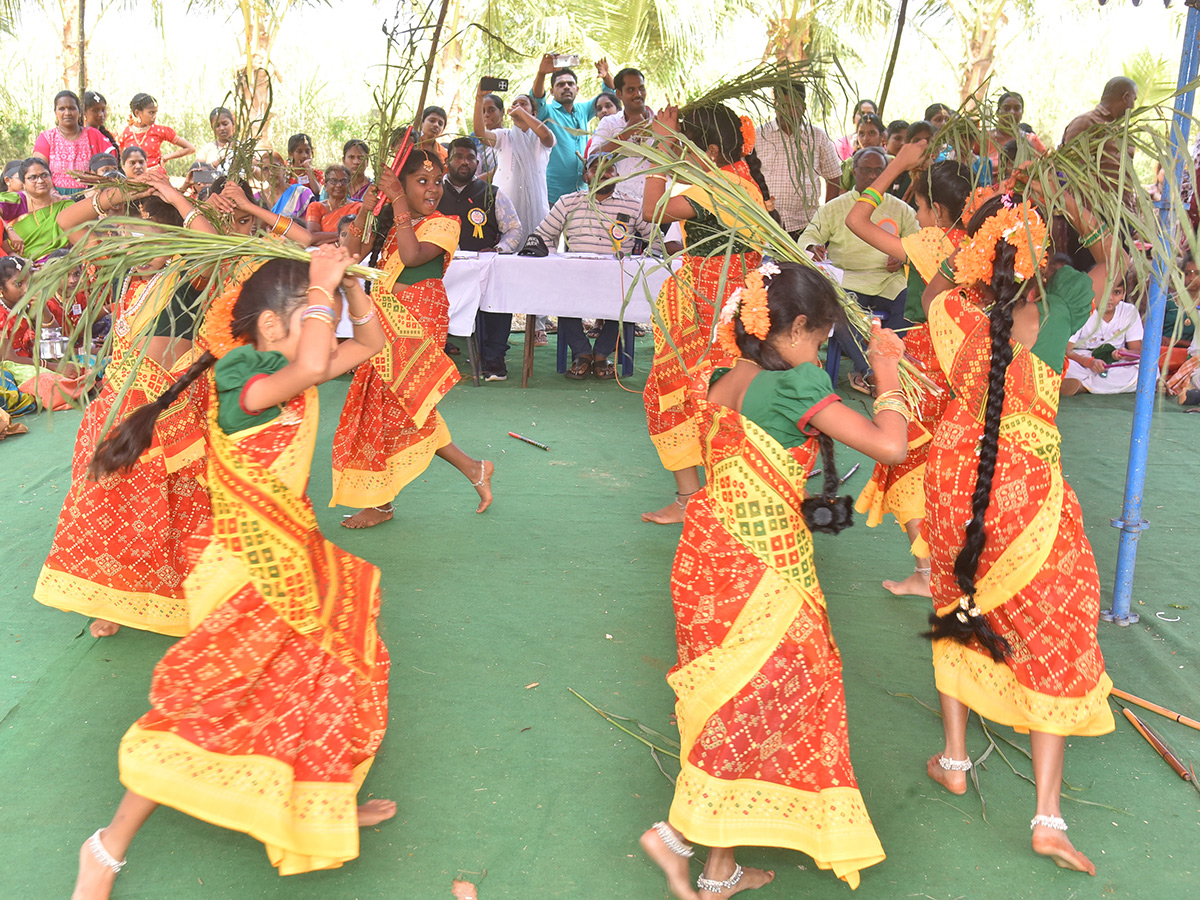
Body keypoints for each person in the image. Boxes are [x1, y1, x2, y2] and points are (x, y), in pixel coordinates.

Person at [67, 249, 394, 900]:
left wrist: (352, 289)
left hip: (291, 558)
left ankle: (317, 802)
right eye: (310, 312)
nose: (320, 325)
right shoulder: (243, 378)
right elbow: (313, 360)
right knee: (204, 709)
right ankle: (105, 848)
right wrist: (325, 283)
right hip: (244, 572)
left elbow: (371, 342)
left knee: (337, 670)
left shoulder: (288, 364)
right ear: (273, 327)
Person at [640, 262, 908, 898]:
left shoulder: (730, 377)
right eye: (818, 340)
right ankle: (678, 837)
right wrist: (890, 374)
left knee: (737, 693)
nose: (819, 352)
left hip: (709, 557)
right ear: (791, 328)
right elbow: (890, 447)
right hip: (765, 565)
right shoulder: (796, 387)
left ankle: (717, 867)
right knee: (772, 690)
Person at [919, 186, 1118, 876]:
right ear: (1039, 264)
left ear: (974, 260)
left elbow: (939, 278)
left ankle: (952, 759)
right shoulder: (1057, 311)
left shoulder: (949, 312)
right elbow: (1099, 266)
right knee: (1053, 632)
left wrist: (981, 243)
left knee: (956, 608)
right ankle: (1047, 816)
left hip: (952, 486)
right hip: (1022, 494)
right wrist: (1076, 215)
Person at [35, 170, 219, 639]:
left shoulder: (186, 274)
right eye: (121, 233)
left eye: (136, 231)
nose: (123, 241)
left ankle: (190, 596)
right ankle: (114, 598)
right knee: (108, 507)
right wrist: (122, 193)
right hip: (115, 410)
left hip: (166, 413)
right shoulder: (123, 277)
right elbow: (70, 222)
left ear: (171, 235)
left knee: (178, 509)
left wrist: (175, 196)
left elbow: (210, 240)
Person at [333, 150, 493, 528]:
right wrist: (366, 210)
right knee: (390, 408)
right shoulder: (393, 222)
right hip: (382, 323)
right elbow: (351, 255)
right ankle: (471, 469)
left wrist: (400, 201)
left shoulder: (445, 224)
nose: (433, 189)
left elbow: (412, 254)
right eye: (422, 181)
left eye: (437, 181)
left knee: (402, 406)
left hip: (416, 324)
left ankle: (463, 472)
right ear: (400, 184)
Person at [844, 145, 973, 597]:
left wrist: (896, 166)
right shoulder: (983, 244)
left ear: (937, 209)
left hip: (924, 363)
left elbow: (855, 221)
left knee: (908, 464)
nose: (917, 215)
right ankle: (941, 569)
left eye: (918, 207)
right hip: (966, 363)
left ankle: (928, 572)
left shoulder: (935, 242)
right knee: (947, 465)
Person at [640, 103, 776, 524]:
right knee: (727, 396)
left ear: (712, 151)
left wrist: (659, 151)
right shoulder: (744, 183)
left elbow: (651, 211)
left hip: (705, 304)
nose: (680, 156)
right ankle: (731, 493)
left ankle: (691, 499)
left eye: (687, 147)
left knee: (675, 395)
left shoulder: (716, 188)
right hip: (736, 299)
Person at [800, 147, 919, 393]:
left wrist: (902, 259)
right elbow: (808, 236)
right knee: (834, 307)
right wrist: (813, 246)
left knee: (911, 301)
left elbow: (917, 246)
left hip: (887, 280)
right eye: (866, 169)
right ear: (854, 171)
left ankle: (894, 366)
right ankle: (870, 370)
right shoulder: (835, 207)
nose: (873, 175)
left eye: (879, 170)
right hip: (848, 280)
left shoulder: (902, 209)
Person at [534, 149, 659, 381]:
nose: (603, 172)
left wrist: (642, 261)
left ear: (618, 174)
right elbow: (541, 237)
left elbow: (656, 240)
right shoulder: (568, 202)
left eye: (609, 167)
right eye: (595, 168)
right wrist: (556, 261)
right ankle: (582, 352)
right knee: (562, 296)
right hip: (575, 278)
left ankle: (602, 354)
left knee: (626, 296)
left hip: (617, 280)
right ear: (586, 176)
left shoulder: (634, 206)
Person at [437, 137, 522, 381]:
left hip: (484, 270)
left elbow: (515, 229)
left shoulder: (493, 194)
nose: (464, 162)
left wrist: (498, 249)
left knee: (499, 297)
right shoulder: (433, 193)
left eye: (470, 158)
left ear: (478, 163)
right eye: (458, 157)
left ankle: (493, 359)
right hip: (441, 269)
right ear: (447, 161)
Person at [755, 82, 841, 238]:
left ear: (803, 107)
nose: (786, 111)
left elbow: (834, 176)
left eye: (792, 105)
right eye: (781, 104)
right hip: (765, 225)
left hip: (805, 226)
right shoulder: (758, 135)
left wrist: (825, 215)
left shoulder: (818, 137)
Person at [472, 86, 556, 244]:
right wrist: (479, 98)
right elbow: (480, 133)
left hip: (536, 209)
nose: (518, 106)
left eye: (524, 103)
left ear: (534, 113)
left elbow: (546, 136)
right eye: (515, 103)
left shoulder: (541, 138)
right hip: (505, 208)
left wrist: (521, 113)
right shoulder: (504, 136)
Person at [531, 54, 616, 204]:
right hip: (554, 194)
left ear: (577, 89)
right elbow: (537, 99)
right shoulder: (547, 112)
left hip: (583, 192)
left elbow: (610, 94)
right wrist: (542, 73)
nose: (566, 87)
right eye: (560, 85)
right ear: (551, 91)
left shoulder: (582, 110)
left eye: (570, 84)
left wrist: (606, 75)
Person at [1061, 276, 1142, 395]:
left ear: (1123, 294)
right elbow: (1066, 350)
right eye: (1104, 292)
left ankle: (1082, 386)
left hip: (1114, 364)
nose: (1109, 298)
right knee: (1062, 363)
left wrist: (1124, 354)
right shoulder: (1082, 310)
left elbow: (1138, 352)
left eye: (1116, 293)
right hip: (1082, 361)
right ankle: (1093, 385)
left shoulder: (1129, 311)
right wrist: (1089, 362)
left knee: (1146, 368)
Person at [32, 90, 113, 195]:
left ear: (79, 112)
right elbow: (38, 171)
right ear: (55, 112)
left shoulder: (93, 135)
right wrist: (54, 195)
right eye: (62, 109)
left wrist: (93, 191)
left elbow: (109, 168)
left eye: (72, 108)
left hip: (89, 198)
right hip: (53, 198)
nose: (67, 113)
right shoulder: (46, 138)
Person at [592, 67, 656, 199]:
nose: (638, 94)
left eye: (641, 88)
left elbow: (677, 161)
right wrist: (625, 134)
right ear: (619, 94)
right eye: (631, 90)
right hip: (620, 203)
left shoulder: (660, 122)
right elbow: (593, 157)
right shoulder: (609, 123)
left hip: (657, 204)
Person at [0, 158, 74, 262]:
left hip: (61, 264)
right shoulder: (16, 200)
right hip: (20, 266)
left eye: (44, 175)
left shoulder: (65, 205)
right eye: (33, 177)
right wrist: (9, 230)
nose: (40, 181)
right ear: (24, 183)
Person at [118, 93, 195, 169]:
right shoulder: (125, 133)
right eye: (151, 113)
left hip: (155, 177)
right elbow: (119, 156)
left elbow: (190, 148)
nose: (154, 116)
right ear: (137, 113)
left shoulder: (160, 131)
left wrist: (166, 157)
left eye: (155, 112)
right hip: (133, 179)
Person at [305, 164, 362, 245]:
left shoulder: (358, 208)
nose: (339, 185)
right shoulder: (316, 207)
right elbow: (312, 237)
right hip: (321, 253)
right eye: (333, 181)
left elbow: (361, 237)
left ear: (349, 185)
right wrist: (345, 235)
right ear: (325, 186)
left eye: (344, 181)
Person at [836, 113, 887, 193]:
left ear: (882, 136)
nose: (866, 138)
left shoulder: (890, 161)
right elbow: (842, 196)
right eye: (861, 134)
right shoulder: (849, 164)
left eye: (872, 133)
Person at [196, 106, 235, 171]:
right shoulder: (207, 149)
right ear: (212, 128)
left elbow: (257, 176)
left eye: (225, 124)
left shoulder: (242, 147)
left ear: (233, 124)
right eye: (217, 126)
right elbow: (197, 173)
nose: (222, 128)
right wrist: (215, 164)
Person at [82, 90, 120, 155]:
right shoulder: (82, 137)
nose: (101, 114)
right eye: (95, 110)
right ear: (84, 113)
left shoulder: (106, 136)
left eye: (103, 110)